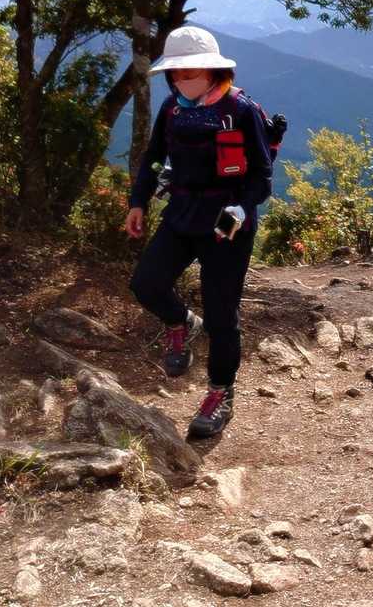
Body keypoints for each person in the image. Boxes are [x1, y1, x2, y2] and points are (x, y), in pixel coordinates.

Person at [124, 26, 272, 439]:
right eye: (176, 72)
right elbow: (154, 157)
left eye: (189, 72)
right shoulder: (173, 109)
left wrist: (242, 207)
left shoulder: (241, 110)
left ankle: (220, 393)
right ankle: (181, 322)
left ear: (212, 70)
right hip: (182, 212)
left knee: (222, 315)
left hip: (227, 222)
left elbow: (262, 176)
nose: (181, 79)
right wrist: (138, 201)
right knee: (146, 284)